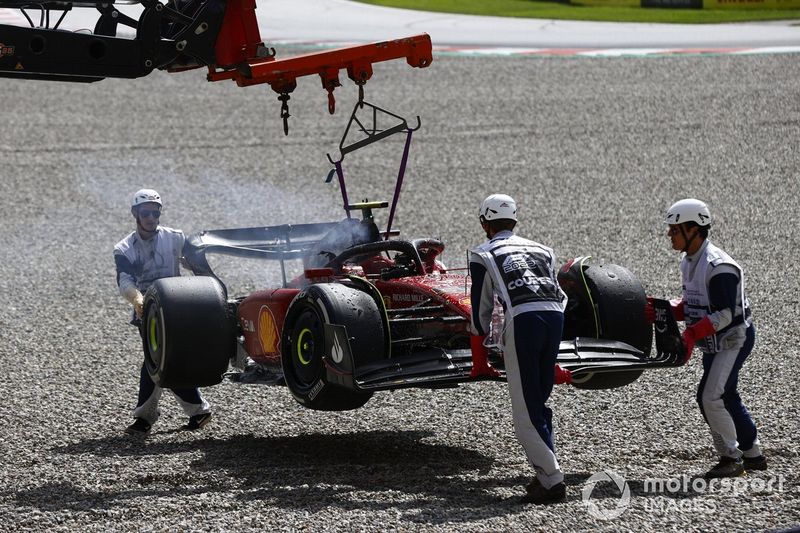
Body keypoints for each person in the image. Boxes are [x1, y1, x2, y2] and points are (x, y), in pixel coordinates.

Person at [645, 198, 766, 478]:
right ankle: (753, 454)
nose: (669, 235)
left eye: (675, 230)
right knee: (726, 395)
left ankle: (731, 457)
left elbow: (727, 315)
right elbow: (695, 303)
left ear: (694, 229)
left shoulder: (719, 266)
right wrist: (668, 311)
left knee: (710, 396)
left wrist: (691, 333)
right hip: (714, 340)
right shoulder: (688, 261)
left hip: (733, 339)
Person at [469, 194, 568, 504]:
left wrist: (479, 359)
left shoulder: (484, 253)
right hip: (555, 318)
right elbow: (556, 292)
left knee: (525, 412)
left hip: (523, 321)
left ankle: (552, 480)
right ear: (514, 220)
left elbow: (479, 311)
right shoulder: (544, 249)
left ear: (485, 223)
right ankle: (544, 474)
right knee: (537, 400)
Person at [113, 188, 212, 436]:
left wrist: (206, 286)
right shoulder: (125, 248)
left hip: (178, 304)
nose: (151, 217)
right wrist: (138, 300)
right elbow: (125, 281)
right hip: (148, 310)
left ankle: (148, 419)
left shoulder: (175, 238)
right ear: (135, 213)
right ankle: (197, 411)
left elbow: (197, 266)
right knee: (161, 360)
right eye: (145, 212)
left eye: (155, 212)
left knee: (161, 361)